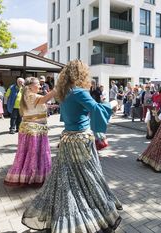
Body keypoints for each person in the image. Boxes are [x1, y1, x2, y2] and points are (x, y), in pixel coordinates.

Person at [21, 60, 122, 232]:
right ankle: (93, 214)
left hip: (67, 139)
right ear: (81, 74)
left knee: (66, 178)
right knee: (88, 176)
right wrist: (111, 105)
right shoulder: (79, 92)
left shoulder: (63, 92)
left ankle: (62, 215)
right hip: (80, 139)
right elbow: (96, 109)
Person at [4, 77, 55, 187]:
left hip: (31, 128)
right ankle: (33, 177)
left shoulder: (28, 95)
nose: (40, 86)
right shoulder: (31, 95)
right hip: (34, 130)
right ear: (30, 86)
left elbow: (39, 104)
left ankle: (27, 176)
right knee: (34, 154)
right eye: (38, 84)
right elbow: (44, 99)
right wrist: (57, 89)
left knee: (28, 154)